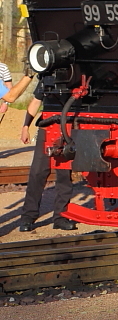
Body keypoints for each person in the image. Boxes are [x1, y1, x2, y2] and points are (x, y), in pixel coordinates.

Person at [17, 94, 77, 232]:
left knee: (64, 175)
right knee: (37, 173)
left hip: (68, 128)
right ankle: (28, 217)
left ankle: (60, 217)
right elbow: (36, 101)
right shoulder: (47, 77)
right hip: (47, 128)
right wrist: (25, 126)